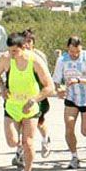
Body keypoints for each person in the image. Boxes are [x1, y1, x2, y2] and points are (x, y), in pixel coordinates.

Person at [0, 33, 55, 171]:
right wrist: (2, 87)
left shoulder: (35, 61)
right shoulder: (6, 59)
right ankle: (19, 150)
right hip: (12, 105)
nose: (11, 54)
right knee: (12, 141)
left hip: (30, 106)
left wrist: (34, 99)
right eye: (9, 50)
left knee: (28, 142)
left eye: (15, 51)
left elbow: (49, 87)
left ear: (24, 47)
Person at [52, 36, 86, 169]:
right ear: (67, 48)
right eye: (72, 52)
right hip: (71, 98)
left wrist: (79, 80)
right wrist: (59, 89)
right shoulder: (62, 60)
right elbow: (56, 80)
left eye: (77, 52)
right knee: (69, 126)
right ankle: (74, 156)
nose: (74, 55)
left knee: (85, 131)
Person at [22, 29, 52, 158]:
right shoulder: (17, 55)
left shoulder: (39, 57)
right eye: (24, 41)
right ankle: (21, 153)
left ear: (33, 42)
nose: (27, 44)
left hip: (38, 95)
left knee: (38, 122)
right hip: (21, 95)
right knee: (21, 123)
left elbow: (46, 78)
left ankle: (46, 139)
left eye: (29, 41)